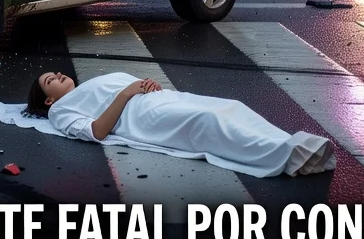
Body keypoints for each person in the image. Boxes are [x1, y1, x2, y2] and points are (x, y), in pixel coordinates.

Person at [25, 72, 334, 178]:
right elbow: (96, 131)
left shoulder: (85, 85)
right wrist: (128, 92)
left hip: (158, 100)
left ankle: (294, 146)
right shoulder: (60, 112)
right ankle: (286, 155)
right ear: (49, 100)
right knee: (207, 121)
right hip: (142, 118)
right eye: (50, 81)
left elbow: (131, 88)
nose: (57, 75)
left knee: (230, 107)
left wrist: (147, 85)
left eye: (55, 72)